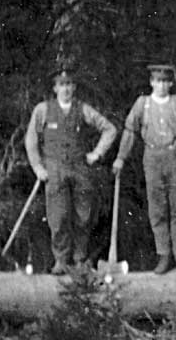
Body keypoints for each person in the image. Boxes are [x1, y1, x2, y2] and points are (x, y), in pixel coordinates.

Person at [112, 63, 176, 274]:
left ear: (170, 83)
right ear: (151, 82)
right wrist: (121, 157)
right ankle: (163, 255)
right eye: (158, 81)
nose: (162, 86)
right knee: (156, 209)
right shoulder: (143, 104)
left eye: (166, 81)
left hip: (174, 158)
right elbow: (130, 131)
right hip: (151, 157)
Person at [24, 67, 118, 275]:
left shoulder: (82, 109)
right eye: (61, 85)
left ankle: (80, 260)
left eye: (69, 85)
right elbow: (31, 139)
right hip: (54, 169)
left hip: (79, 167)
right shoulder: (43, 110)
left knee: (83, 216)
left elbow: (109, 129)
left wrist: (96, 154)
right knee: (58, 217)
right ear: (55, 88)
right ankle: (61, 260)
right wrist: (38, 167)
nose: (65, 89)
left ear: (73, 87)